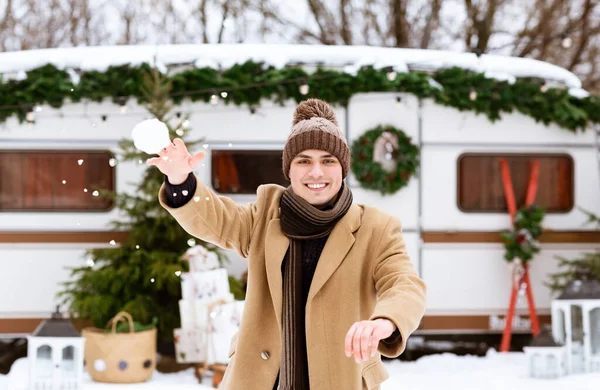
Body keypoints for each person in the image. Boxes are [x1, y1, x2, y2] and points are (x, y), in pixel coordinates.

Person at [148, 98, 427, 390]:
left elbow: (405, 284)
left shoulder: (376, 228)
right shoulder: (264, 215)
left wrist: (385, 321)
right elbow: (216, 219)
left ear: (342, 169)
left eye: (328, 160)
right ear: (289, 170)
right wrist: (180, 180)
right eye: (304, 160)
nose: (316, 172)